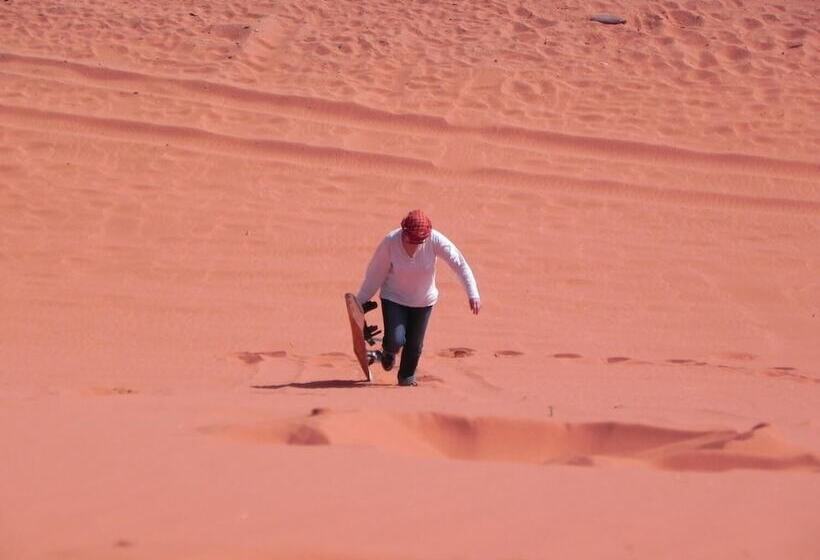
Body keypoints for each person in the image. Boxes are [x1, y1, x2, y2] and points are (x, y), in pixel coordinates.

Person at [356, 210, 480, 386]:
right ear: (404, 232)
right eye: (410, 239)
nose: (414, 244)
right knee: (396, 340)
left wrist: (472, 293)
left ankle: (406, 378)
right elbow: (375, 274)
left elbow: (459, 264)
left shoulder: (435, 240)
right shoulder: (391, 242)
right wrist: (359, 301)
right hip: (394, 298)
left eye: (419, 241)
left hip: (423, 302)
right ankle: (388, 352)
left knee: (414, 347)